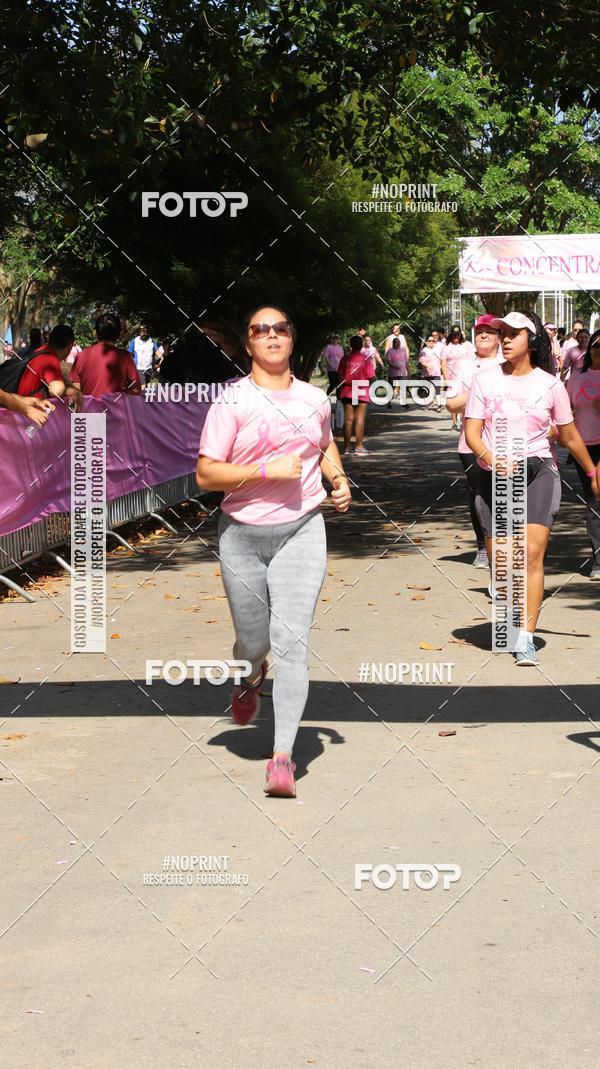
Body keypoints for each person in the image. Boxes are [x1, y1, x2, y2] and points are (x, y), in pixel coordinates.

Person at [196, 305, 351, 798]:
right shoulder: (231, 402)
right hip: (240, 533)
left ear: (291, 338)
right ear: (248, 344)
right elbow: (206, 475)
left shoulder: (314, 399)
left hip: (302, 529)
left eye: (280, 328)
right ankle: (249, 673)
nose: (271, 336)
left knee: (292, 642)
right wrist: (266, 472)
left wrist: (339, 479)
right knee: (253, 640)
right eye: (260, 330)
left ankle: (282, 757)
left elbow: (324, 445)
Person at [465, 310, 599, 666]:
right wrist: (490, 458)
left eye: (513, 333)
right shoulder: (485, 381)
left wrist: (590, 470)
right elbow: (472, 433)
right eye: (501, 333)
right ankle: (507, 618)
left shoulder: (550, 385)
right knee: (503, 562)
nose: (505, 339)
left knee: (533, 554)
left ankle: (526, 637)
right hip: (494, 474)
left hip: (539, 470)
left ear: (532, 339)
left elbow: (568, 433)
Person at [446, 314, 502, 568]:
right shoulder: (464, 366)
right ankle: (483, 546)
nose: (484, 335)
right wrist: (477, 393)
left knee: (507, 494)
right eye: (480, 330)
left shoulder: (508, 363)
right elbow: (451, 403)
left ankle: (505, 547)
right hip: (471, 443)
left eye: (490, 331)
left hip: (505, 440)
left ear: (500, 338)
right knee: (480, 495)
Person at [566, 329, 600, 580]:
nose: (599, 348)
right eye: (596, 344)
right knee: (594, 497)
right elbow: (566, 410)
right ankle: (598, 558)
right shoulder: (577, 376)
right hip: (583, 446)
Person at [8, 324, 83, 410]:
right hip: (31, 413)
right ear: (70, 347)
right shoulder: (51, 359)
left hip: (21, 408)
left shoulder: (40, 351)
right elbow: (55, 390)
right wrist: (74, 391)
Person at [69, 313, 142, 397]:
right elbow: (136, 389)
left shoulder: (81, 356)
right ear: (118, 334)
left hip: (88, 409)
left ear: (95, 333)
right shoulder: (125, 357)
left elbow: (76, 391)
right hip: (116, 408)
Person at [337, 334, 372, 455]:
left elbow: (340, 376)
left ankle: (346, 448)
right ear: (361, 345)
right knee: (359, 419)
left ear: (350, 345)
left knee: (348, 420)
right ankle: (359, 446)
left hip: (348, 390)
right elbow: (371, 376)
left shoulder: (345, 359)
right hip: (361, 389)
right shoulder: (366, 359)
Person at [440, 327, 475, 431]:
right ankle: (454, 423)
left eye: (457, 334)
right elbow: (443, 362)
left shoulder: (467, 345)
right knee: (453, 399)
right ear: (451, 335)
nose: (456, 337)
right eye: (454, 335)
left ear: (460, 335)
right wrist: (446, 378)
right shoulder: (446, 346)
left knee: (465, 400)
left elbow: (474, 359)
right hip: (452, 376)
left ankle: (465, 422)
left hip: (466, 376)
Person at [418, 334, 442, 411]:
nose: (431, 342)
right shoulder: (424, 350)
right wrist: (427, 365)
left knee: (437, 389)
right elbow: (421, 361)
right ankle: (427, 405)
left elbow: (442, 359)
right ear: (427, 342)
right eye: (429, 340)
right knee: (428, 391)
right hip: (426, 374)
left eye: (433, 340)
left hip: (436, 373)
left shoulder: (438, 350)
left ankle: (439, 405)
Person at [386, 336, 409, 402]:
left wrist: (408, 371)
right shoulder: (390, 351)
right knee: (391, 388)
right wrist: (394, 366)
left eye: (398, 342)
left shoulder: (403, 351)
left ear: (400, 343)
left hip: (402, 373)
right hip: (393, 373)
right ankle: (389, 403)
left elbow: (406, 361)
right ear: (393, 343)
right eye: (395, 342)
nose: (397, 344)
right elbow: (388, 361)